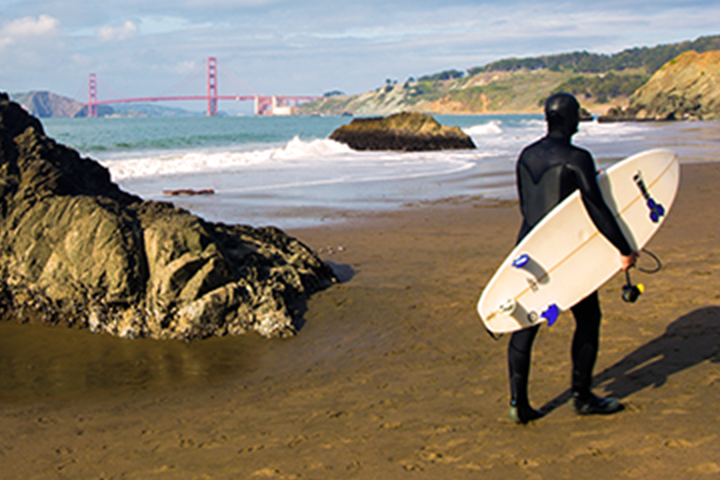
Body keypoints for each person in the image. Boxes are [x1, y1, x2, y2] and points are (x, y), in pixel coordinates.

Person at [508, 92, 638, 424]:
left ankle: (518, 404)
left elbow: (527, 207)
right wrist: (623, 248)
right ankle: (581, 396)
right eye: (578, 114)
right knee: (588, 318)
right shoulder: (577, 157)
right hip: (564, 253)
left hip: (529, 250)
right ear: (568, 119)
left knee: (525, 326)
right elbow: (596, 208)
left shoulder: (526, 155)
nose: (581, 119)